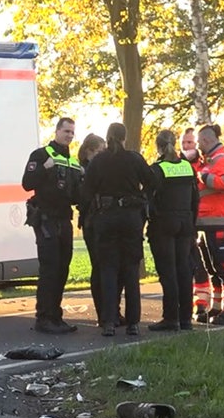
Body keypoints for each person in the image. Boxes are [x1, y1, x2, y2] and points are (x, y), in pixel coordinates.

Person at [80, 122, 155, 336]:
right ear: (125, 137)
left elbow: (86, 192)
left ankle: (109, 322)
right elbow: (152, 181)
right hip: (131, 218)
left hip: (106, 218)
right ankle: (132, 323)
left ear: (108, 136)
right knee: (131, 270)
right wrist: (141, 199)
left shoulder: (99, 162)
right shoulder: (134, 158)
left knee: (108, 270)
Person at [22, 117, 84, 334]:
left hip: (64, 219)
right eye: (66, 131)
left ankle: (56, 316)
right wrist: (45, 169)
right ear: (56, 131)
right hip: (46, 218)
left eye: (72, 133)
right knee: (50, 268)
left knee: (62, 269)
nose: (69, 135)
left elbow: (76, 195)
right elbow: (27, 183)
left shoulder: (73, 162)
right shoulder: (41, 155)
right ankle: (43, 317)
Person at [146, 129, 200, 331]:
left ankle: (170, 318)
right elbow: (196, 199)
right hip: (185, 223)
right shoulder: (187, 167)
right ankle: (186, 318)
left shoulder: (157, 169)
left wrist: (151, 220)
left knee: (168, 272)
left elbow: (149, 200)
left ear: (158, 146)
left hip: (164, 225)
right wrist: (192, 223)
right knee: (184, 270)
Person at [195, 124, 224, 325]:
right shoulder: (209, 161)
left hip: (220, 220)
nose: (197, 145)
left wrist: (207, 178)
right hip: (207, 222)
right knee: (213, 267)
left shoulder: (222, 159)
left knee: (222, 264)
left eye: (198, 142)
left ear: (205, 140)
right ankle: (216, 308)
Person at [76, 133, 108, 325]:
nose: (102, 155)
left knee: (109, 267)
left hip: (103, 221)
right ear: (89, 152)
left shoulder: (100, 168)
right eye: (99, 151)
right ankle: (102, 313)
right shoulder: (83, 171)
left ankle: (111, 310)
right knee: (99, 266)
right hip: (91, 222)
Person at [181, 127, 211, 321]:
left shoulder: (204, 164)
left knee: (207, 263)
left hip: (207, 219)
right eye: (183, 143)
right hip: (188, 220)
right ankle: (199, 303)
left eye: (189, 143)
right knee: (193, 262)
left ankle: (204, 302)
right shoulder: (178, 164)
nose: (186, 146)